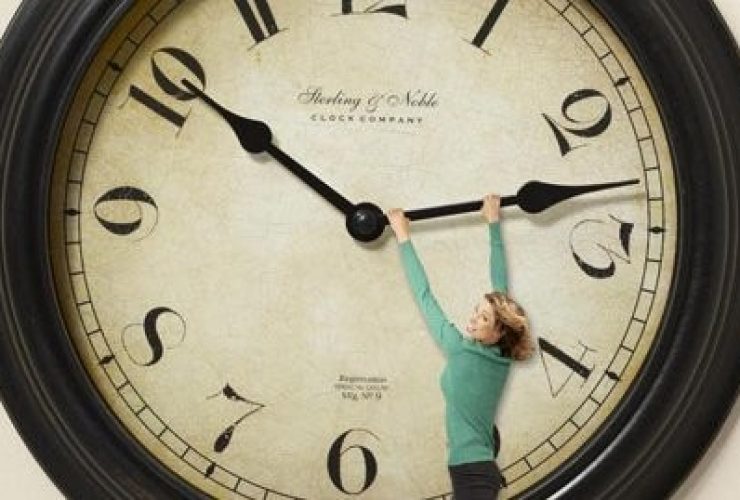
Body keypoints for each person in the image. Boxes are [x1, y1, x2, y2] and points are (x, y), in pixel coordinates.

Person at [387, 194, 534, 500]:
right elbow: (500, 283)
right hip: (473, 471)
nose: (472, 319)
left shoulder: (459, 349)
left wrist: (402, 235)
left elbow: (424, 295)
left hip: (474, 474)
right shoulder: (502, 357)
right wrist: (493, 221)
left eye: (482, 317)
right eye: (476, 310)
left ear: (497, 332)